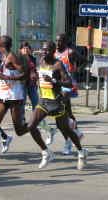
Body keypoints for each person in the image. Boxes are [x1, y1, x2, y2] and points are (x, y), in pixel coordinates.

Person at [0, 36, 54, 174]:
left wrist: (8, 78)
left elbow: (24, 74)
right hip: (3, 96)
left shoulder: (13, 57)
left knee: (19, 130)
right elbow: (2, 75)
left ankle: (44, 147)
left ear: (1, 45)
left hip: (15, 97)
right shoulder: (3, 56)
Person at [29, 41, 88, 170]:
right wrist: (34, 78)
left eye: (47, 50)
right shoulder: (42, 62)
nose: (44, 52)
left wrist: (54, 81)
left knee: (66, 130)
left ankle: (81, 151)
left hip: (56, 102)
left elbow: (68, 83)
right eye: (43, 50)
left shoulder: (58, 65)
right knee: (31, 126)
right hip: (43, 101)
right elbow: (40, 78)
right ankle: (46, 152)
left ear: (53, 52)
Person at [54, 33, 86, 155]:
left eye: (60, 41)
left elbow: (84, 61)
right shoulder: (54, 53)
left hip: (68, 86)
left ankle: (69, 140)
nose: (57, 43)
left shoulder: (70, 52)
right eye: (56, 41)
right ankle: (77, 133)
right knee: (68, 112)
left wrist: (77, 70)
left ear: (65, 42)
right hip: (58, 85)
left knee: (62, 112)